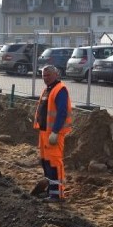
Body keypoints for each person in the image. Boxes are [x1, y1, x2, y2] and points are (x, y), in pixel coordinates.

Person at [33, 64, 72, 201]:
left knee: (55, 163)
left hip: (53, 134)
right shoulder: (48, 90)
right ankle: (50, 191)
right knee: (46, 163)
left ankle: (57, 194)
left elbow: (62, 112)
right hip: (44, 133)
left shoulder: (60, 90)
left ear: (56, 75)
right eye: (44, 75)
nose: (45, 78)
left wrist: (55, 132)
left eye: (48, 75)